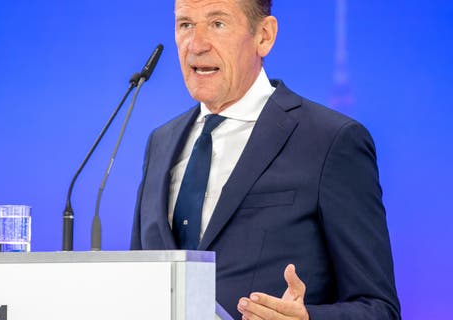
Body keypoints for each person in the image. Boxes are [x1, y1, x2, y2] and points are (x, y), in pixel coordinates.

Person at [130, 0, 401, 319]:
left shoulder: (330, 141)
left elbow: (379, 308)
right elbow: (140, 285)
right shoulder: (160, 143)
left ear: (264, 36)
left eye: (218, 24)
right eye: (185, 24)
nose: (196, 44)